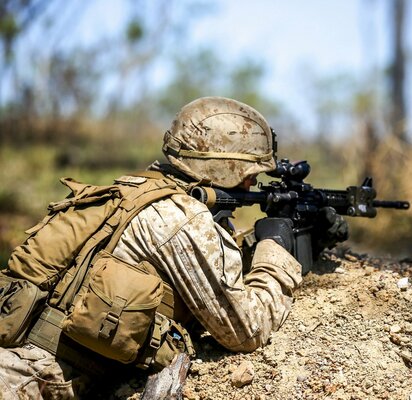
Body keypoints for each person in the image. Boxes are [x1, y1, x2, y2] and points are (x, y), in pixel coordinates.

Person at [0, 97, 348, 399]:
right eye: (251, 174)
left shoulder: (138, 190)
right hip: (33, 383)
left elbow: (202, 270)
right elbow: (247, 330)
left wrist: (300, 238)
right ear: (226, 166)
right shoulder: (182, 218)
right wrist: (276, 249)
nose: (253, 183)